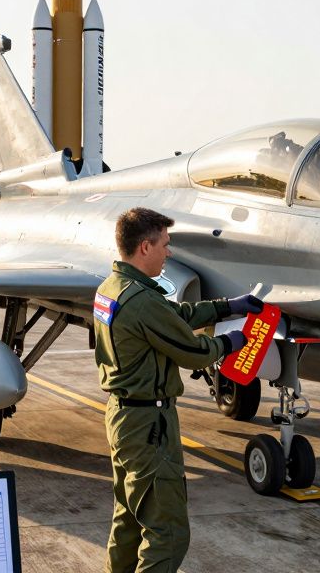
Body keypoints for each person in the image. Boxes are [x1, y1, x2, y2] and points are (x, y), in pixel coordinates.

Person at [94, 206, 262, 572]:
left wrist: (226, 307)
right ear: (145, 247)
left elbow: (172, 318)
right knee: (168, 534)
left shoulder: (113, 288)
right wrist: (231, 342)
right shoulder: (141, 300)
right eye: (164, 244)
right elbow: (193, 352)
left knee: (129, 521)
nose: (168, 252)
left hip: (124, 418)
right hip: (149, 426)